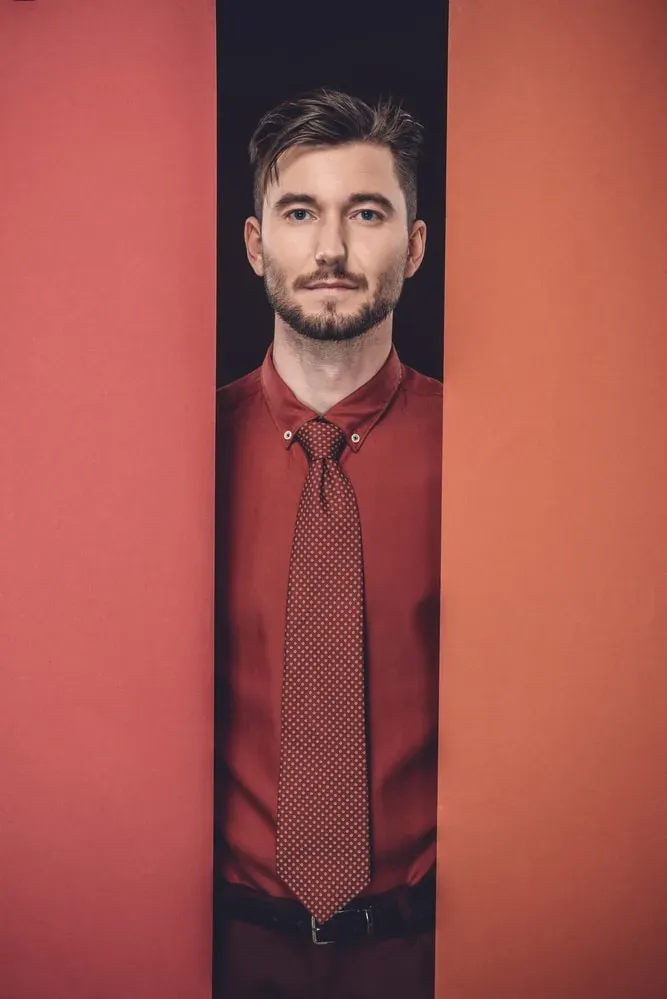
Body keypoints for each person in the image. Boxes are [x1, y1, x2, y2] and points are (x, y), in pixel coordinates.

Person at [214, 88, 442, 999]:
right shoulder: (174, 457)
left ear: (414, 246)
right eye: (300, 212)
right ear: (256, 243)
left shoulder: (496, 455)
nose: (333, 249)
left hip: (434, 954)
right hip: (221, 954)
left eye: (368, 213)